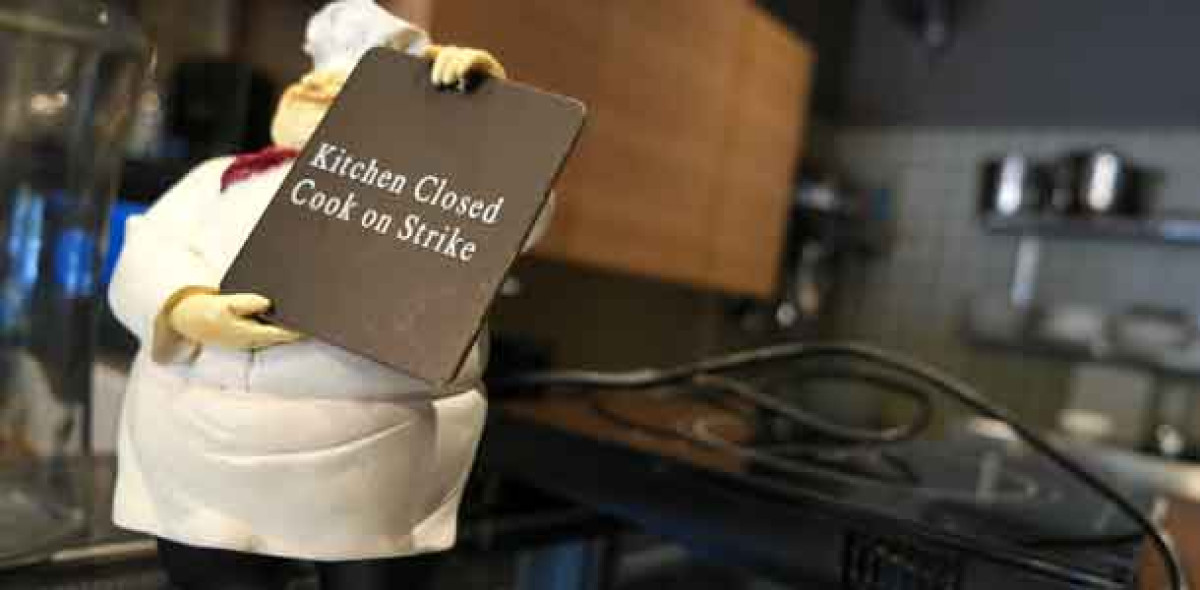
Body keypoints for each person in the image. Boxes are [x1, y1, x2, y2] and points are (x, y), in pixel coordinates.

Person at [107, 1, 550, 588]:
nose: (316, 95)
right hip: (201, 450)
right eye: (312, 85)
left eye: (343, 91)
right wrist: (185, 305)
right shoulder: (219, 177)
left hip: (374, 459)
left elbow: (516, 222)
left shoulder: (427, 195)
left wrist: (481, 129)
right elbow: (147, 249)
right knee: (213, 565)